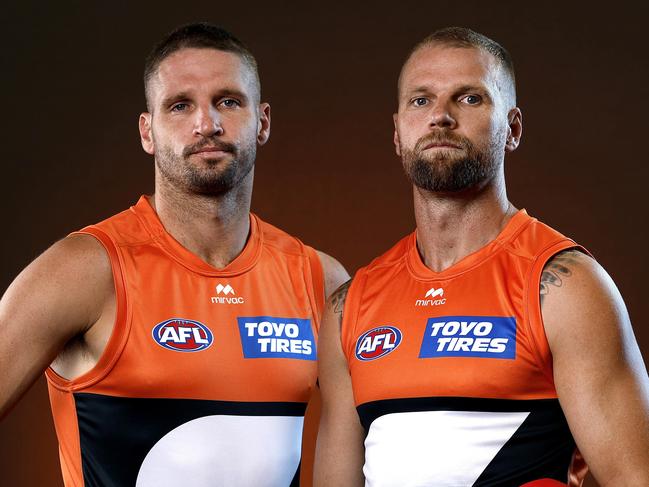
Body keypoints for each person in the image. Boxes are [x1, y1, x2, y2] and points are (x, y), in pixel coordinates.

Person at [0, 23, 348, 487]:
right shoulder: (87, 268)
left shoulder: (317, 278)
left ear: (262, 121)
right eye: (181, 106)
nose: (207, 124)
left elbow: (378, 442)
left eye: (228, 101)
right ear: (148, 131)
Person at [314, 27, 649, 486]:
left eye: (469, 98)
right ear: (397, 132)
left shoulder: (564, 285)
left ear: (511, 128)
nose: (440, 117)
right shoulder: (350, 307)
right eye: (420, 101)